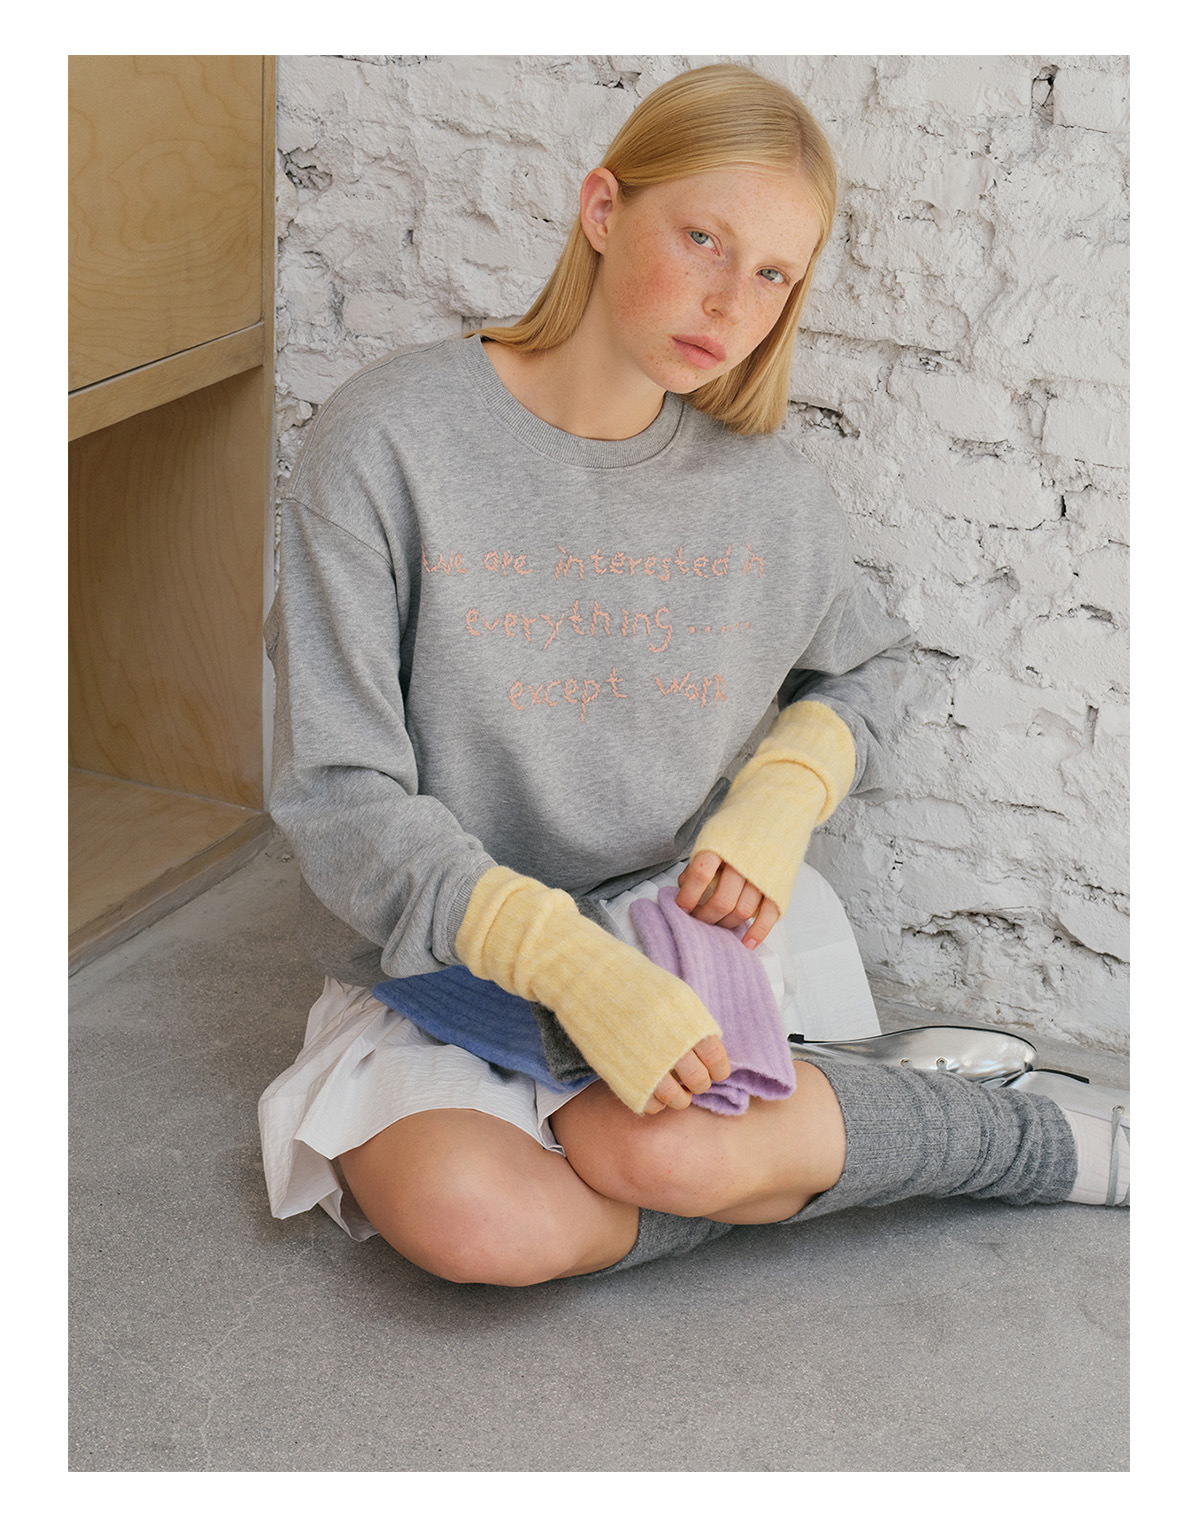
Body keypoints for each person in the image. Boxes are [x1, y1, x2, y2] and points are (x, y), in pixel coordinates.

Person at [258, 63, 1128, 1288]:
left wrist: (780, 796)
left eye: (773, 273)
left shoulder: (763, 492)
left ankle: (1027, 1138)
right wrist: (562, 962)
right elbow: (339, 793)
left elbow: (870, 665)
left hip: (665, 934)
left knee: (656, 1152)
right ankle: (841, 1124)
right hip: (449, 954)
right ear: (603, 209)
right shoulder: (386, 442)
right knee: (477, 1225)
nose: (730, 300)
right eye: (703, 238)